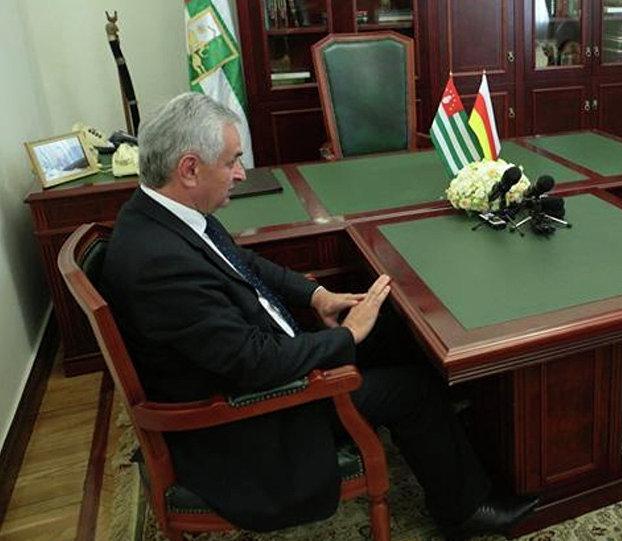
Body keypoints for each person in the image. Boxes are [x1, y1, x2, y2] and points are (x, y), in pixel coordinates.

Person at [101, 92, 537, 536]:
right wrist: (346, 337)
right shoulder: (159, 264)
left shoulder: (163, 214)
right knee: (412, 390)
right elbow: (255, 363)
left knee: (397, 329)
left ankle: (460, 443)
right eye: (232, 161)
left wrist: (317, 296)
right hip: (253, 417)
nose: (241, 173)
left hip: (257, 357)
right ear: (190, 169)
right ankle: (465, 510)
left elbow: (243, 263)